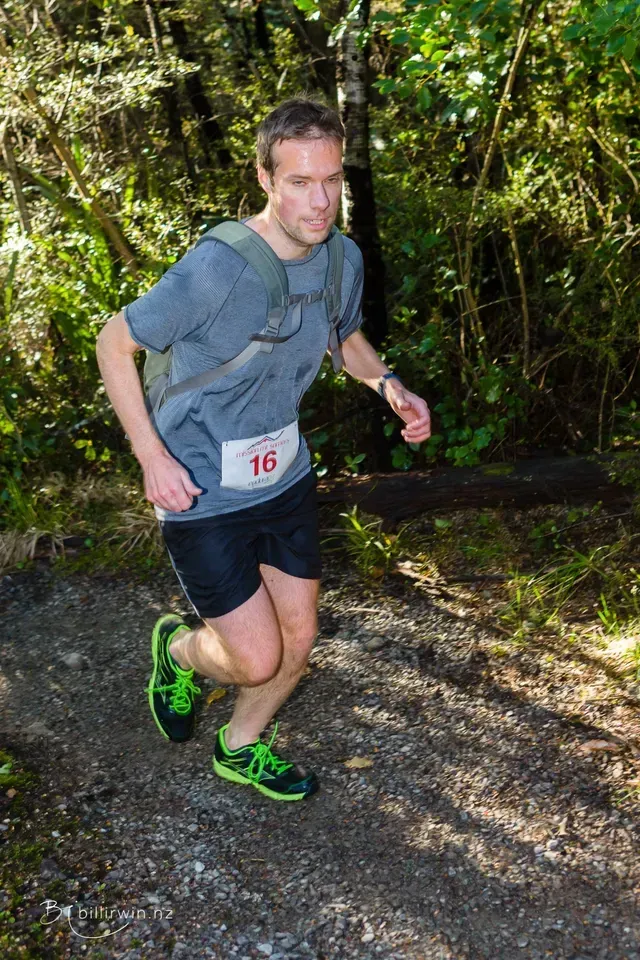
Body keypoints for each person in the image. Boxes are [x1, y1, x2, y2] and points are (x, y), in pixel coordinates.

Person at [96, 97, 431, 802]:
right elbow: (113, 341)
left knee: (298, 638)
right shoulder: (218, 269)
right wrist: (150, 455)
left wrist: (387, 383)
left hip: (281, 472)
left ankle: (240, 744)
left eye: (331, 180)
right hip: (199, 485)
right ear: (265, 180)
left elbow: (342, 334)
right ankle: (180, 652)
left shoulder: (342, 256)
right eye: (300, 183)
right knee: (254, 657)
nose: (320, 201)